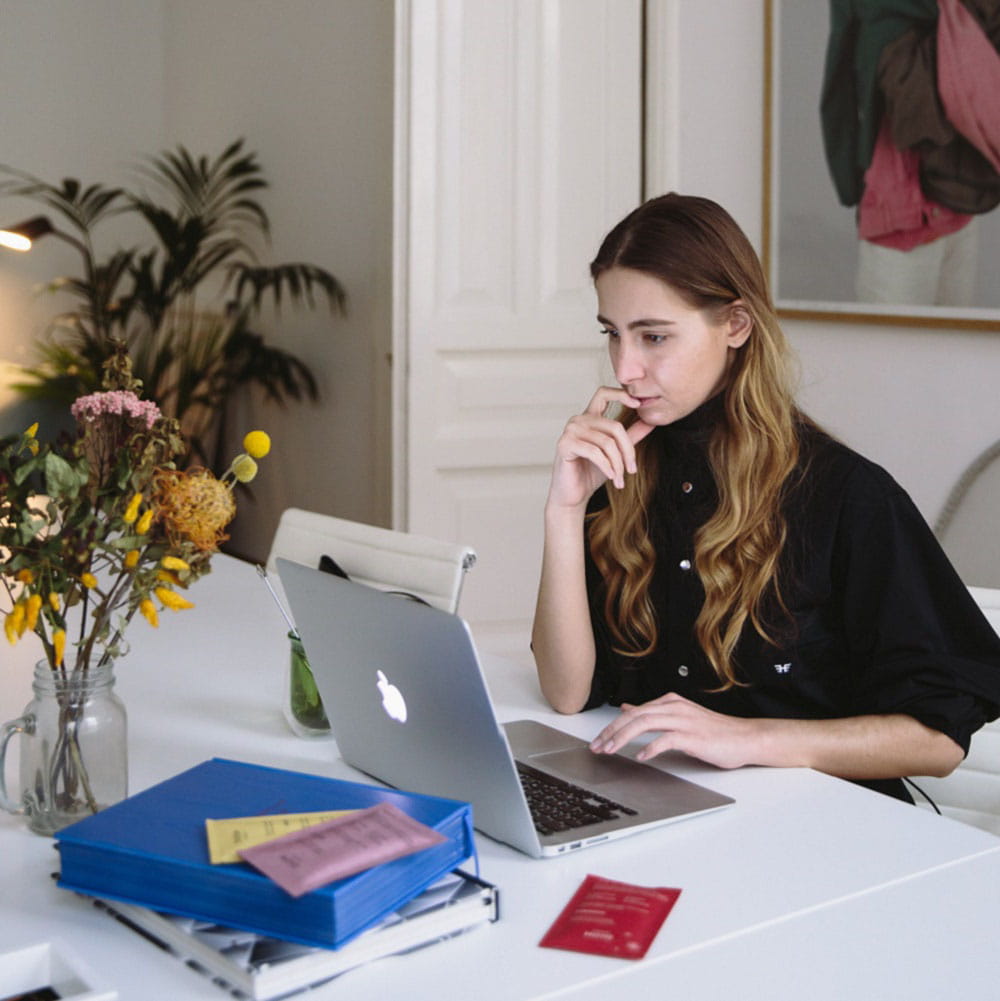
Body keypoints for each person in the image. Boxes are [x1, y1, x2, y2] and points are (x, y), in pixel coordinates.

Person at [531, 192, 1000, 802]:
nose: (625, 368)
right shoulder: (621, 471)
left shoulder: (846, 495)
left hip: (826, 831)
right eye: (613, 334)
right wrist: (564, 511)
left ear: (736, 324)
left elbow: (938, 741)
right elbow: (568, 693)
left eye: (653, 337)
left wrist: (748, 739)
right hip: (668, 806)